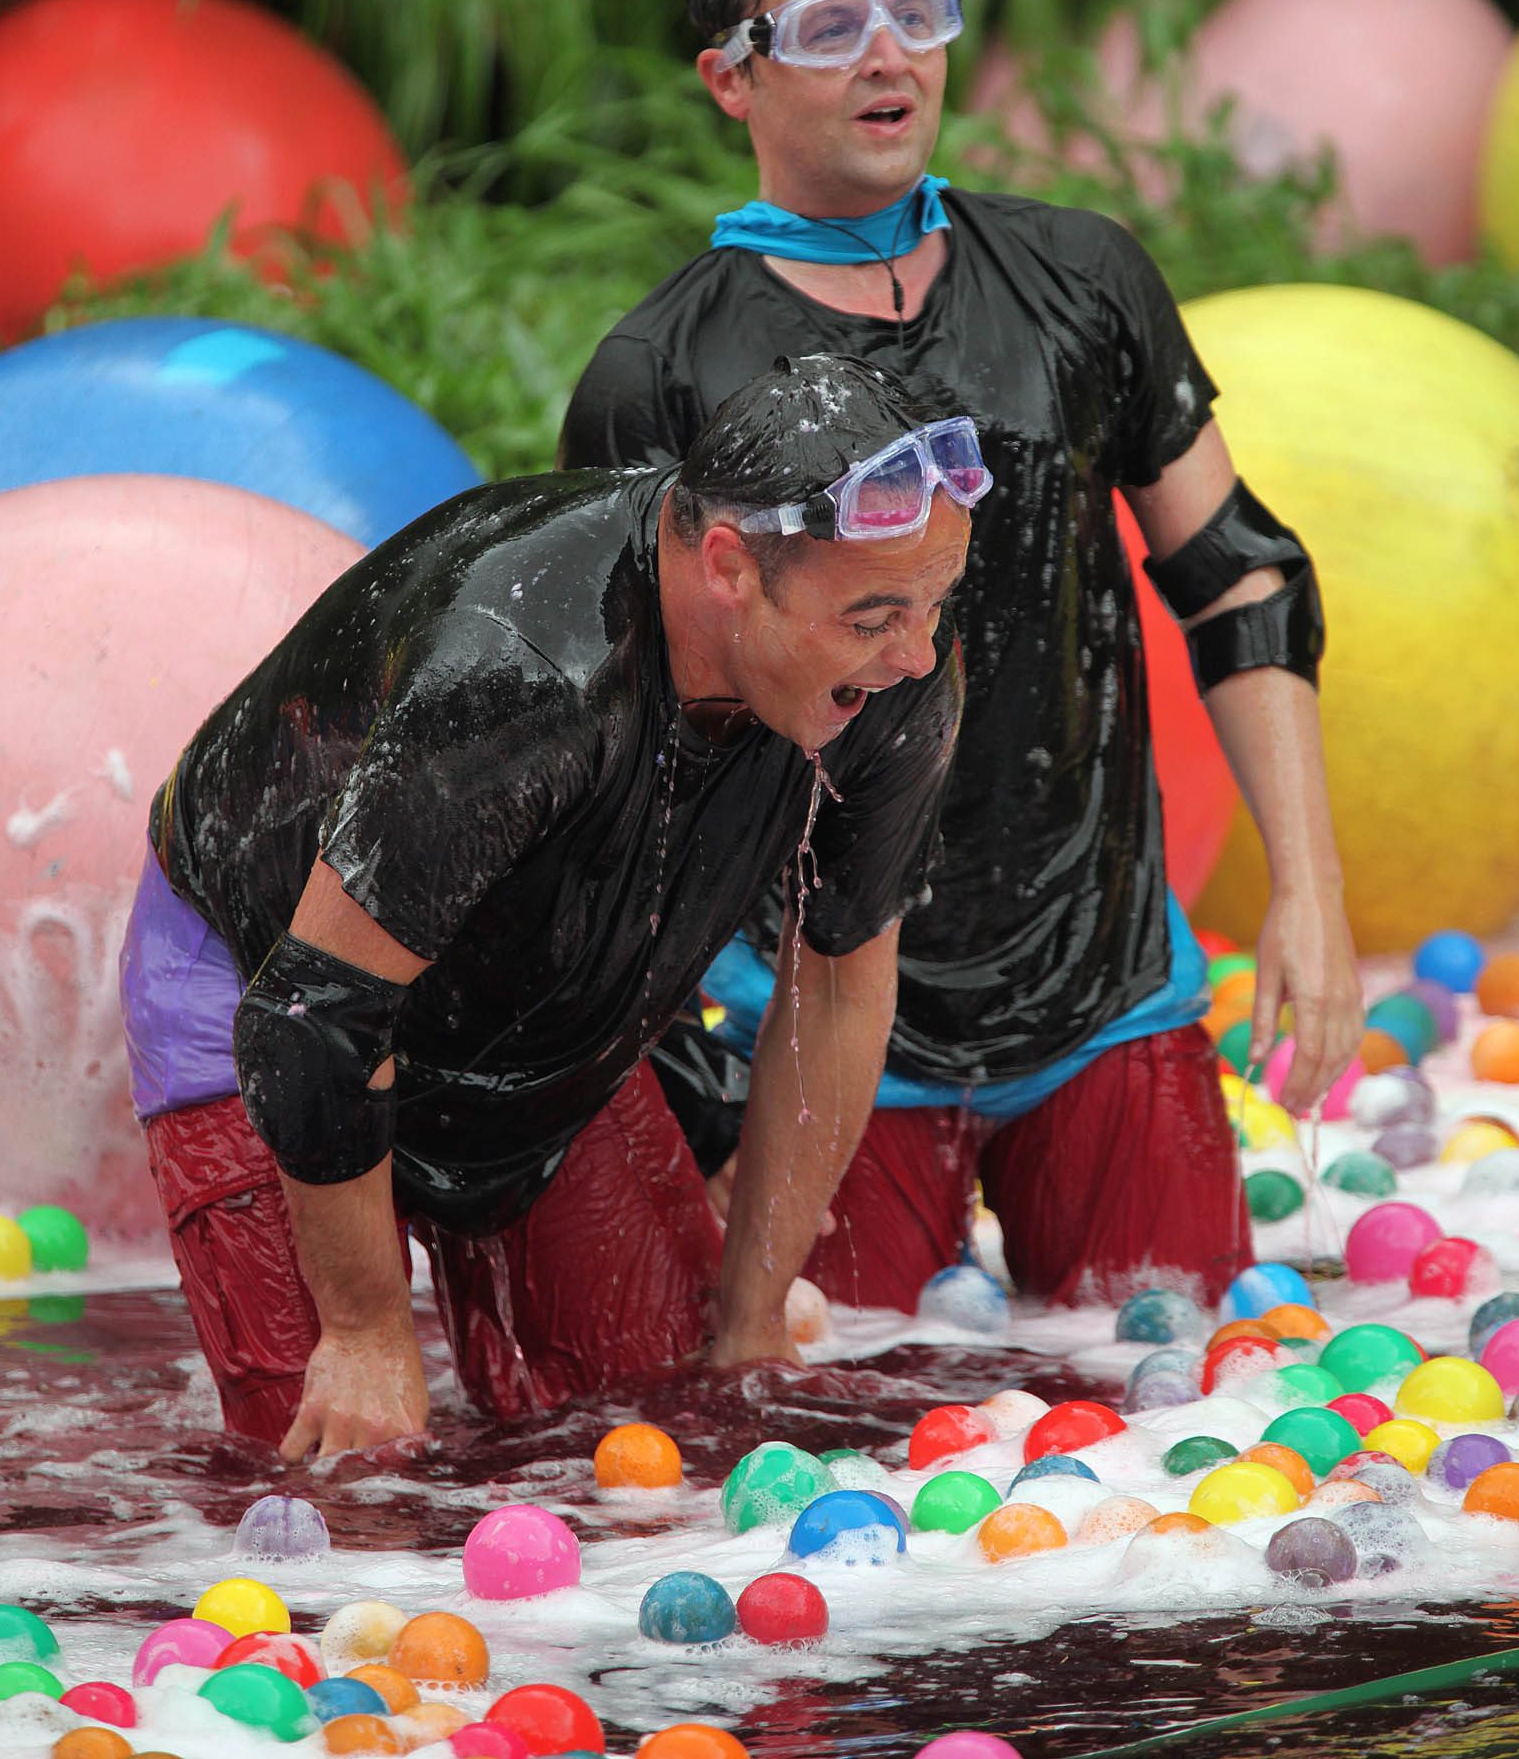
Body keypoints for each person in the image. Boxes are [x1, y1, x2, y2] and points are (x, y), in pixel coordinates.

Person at [561, 0, 1362, 1313]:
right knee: (811, 1443)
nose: (887, 55)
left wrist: (1308, 892)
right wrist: (687, 1086)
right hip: (802, 1006)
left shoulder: (1079, 279)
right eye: (827, 25)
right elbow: (624, 772)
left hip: (1104, 978)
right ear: (728, 79)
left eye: (911, 11)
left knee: (1181, 1405)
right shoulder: (661, 374)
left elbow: (1237, 576)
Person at [119, 353, 978, 1457]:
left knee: (664, 1427)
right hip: (264, 975)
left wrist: (751, 1316)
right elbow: (312, 1016)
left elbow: (844, 976)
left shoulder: (898, 672)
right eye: (873, 618)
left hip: (530, 997)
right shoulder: (521, 671)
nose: (915, 654)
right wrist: (372, 1331)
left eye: (935, 602)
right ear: (726, 564)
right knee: (343, 1483)